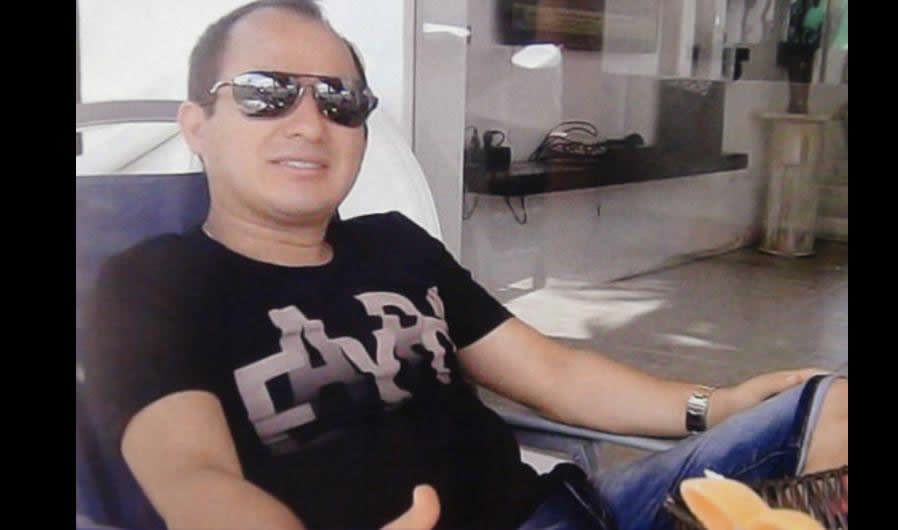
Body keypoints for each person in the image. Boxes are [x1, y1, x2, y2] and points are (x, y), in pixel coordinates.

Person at [82, 1, 848, 529]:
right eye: (266, 93)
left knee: (834, 405)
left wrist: (716, 405)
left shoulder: (397, 245)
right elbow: (194, 477)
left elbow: (553, 374)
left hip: (581, 511)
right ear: (197, 125)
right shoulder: (148, 284)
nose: (310, 123)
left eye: (340, 100)